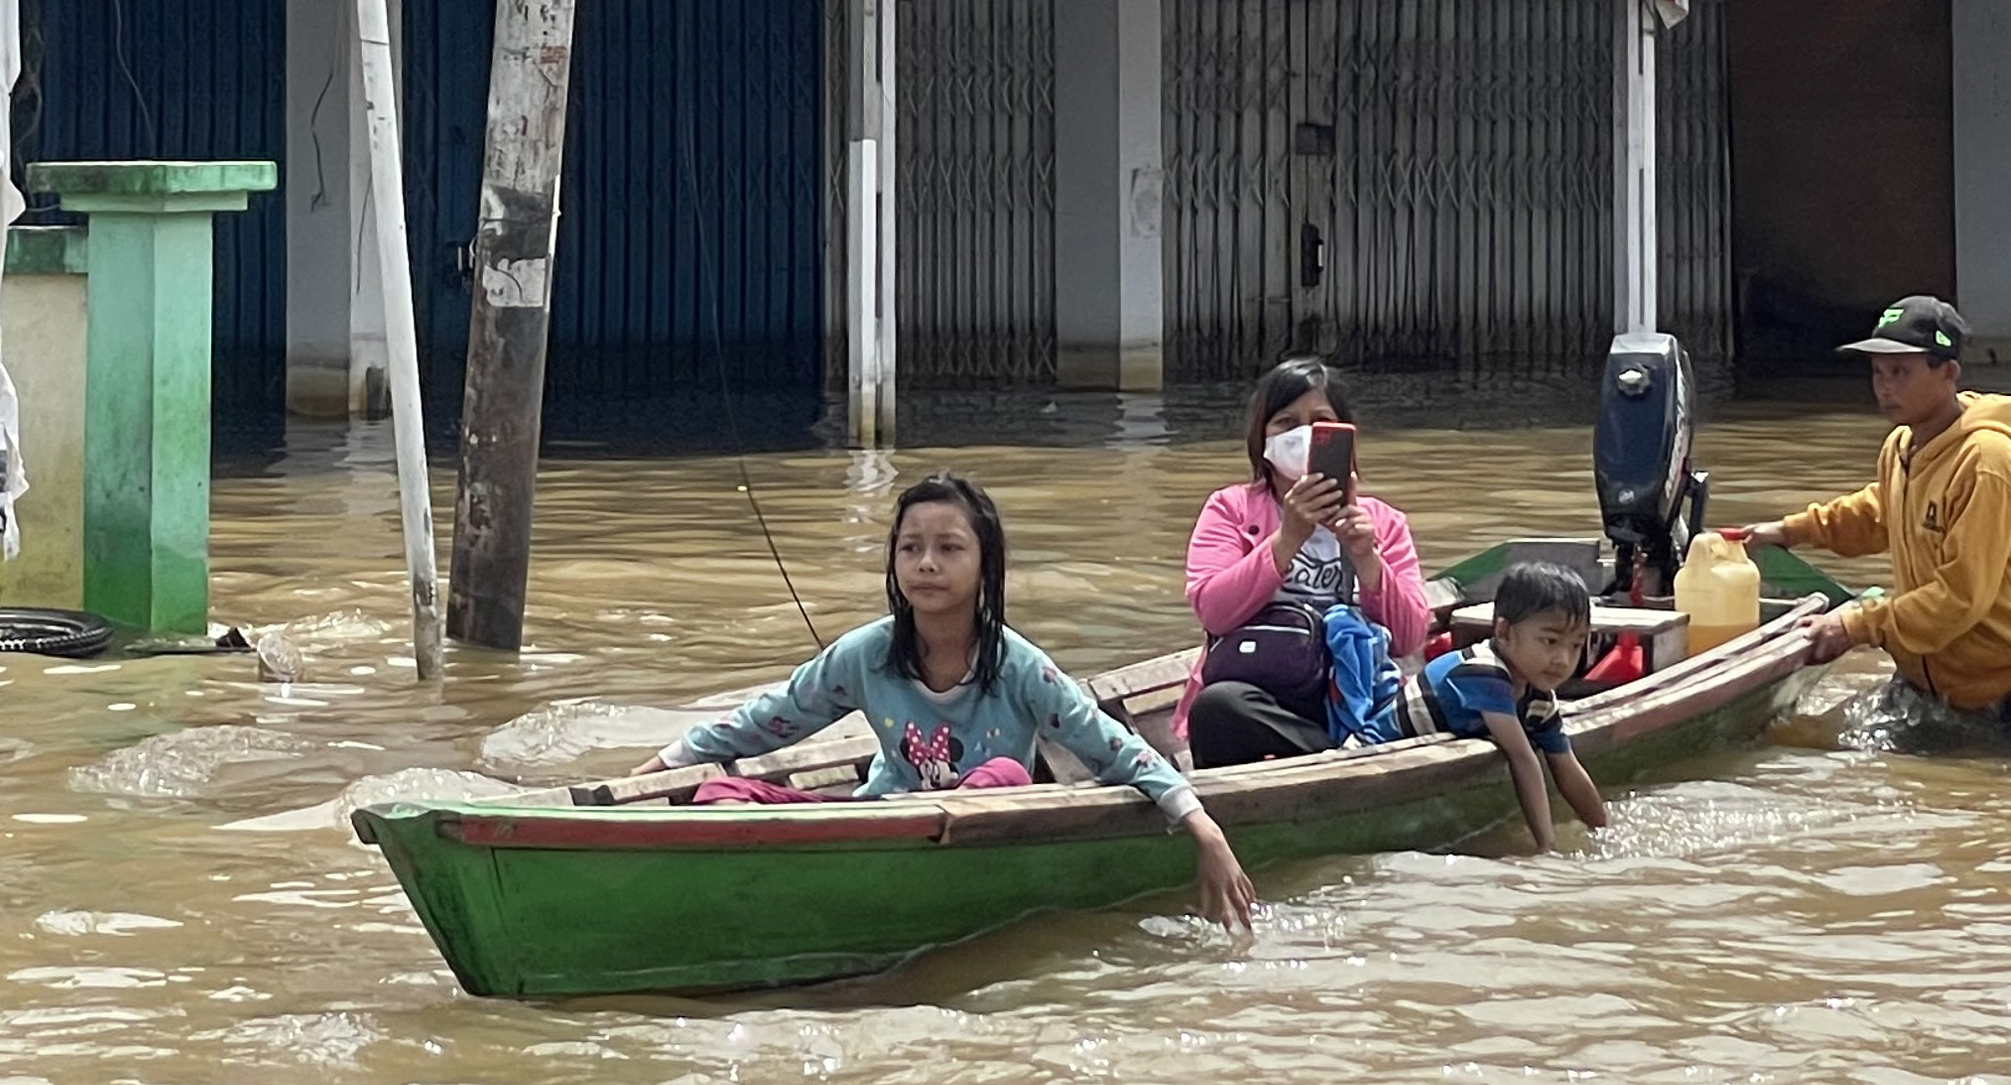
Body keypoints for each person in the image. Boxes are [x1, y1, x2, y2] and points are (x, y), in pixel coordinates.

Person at [641, 474, 1258, 929]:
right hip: (883, 821)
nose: (926, 565)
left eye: (949, 548)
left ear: (984, 564)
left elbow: (1108, 745)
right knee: (719, 794)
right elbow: (769, 719)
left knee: (1007, 773)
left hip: (978, 834)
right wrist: (660, 769)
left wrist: (1202, 828)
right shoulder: (866, 655)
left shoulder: (1016, 665)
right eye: (910, 549)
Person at [1731, 296, 2011, 752]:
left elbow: (1960, 598)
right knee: (1795, 742)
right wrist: (1791, 530)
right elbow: (1879, 511)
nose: (1885, 388)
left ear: (1949, 373)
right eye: (1878, 372)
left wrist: (1854, 625)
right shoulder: (1903, 446)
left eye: (1901, 372)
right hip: (1929, 688)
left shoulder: (1987, 463)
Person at [1181, 358, 1435, 767]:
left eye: (1321, 422)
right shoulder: (1230, 509)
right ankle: (1344, 759)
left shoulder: (1383, 522)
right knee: (1218, 708)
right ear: (1262, 437)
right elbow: (1213, 612)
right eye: (1286, 422)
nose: (1303, 435)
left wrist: (1366, 558)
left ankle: (1347, 752)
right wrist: (1288, 539)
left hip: (1357, 696)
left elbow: (1408, 637)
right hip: (1264, 691)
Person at [1412, 561, 1609, 851]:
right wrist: (1547, 848)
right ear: (1503, 632)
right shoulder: (1482, 671)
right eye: (1550, 641)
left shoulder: (1538, 696)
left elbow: (1566, 766)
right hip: (1374, 750)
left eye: (1576, 645)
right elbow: (1523, 759)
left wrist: (1603, 834)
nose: (1563, 660)